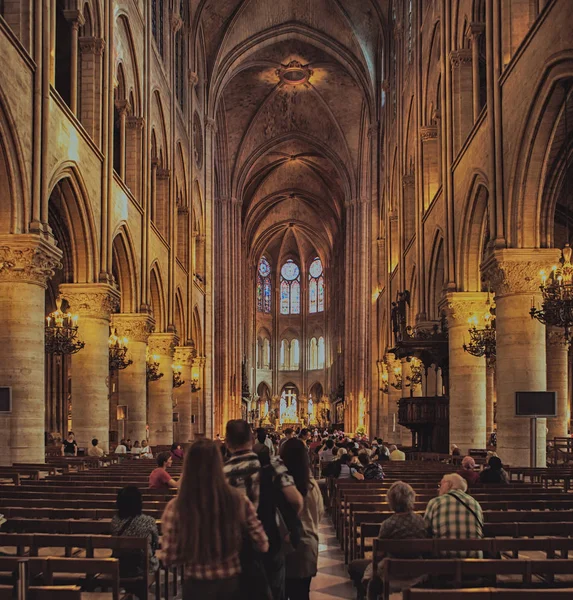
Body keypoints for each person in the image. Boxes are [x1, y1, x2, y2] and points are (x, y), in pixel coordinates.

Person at [159, 439, 269, 600]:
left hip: (196, 587)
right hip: (231, 585)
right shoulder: (239, 500)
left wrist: (191, 547)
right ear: (219, 463)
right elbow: (263, 543)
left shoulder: (175, 507)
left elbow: (169, 558)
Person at [224, 419, 303, 600]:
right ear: (252, 440)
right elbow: (297, 500)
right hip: (270, 540)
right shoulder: (271, 464)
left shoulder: (222, 471)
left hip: (235, 548)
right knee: (274, 592)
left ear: (227, 443)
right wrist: (290, 527)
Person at [352, 481, 428, 599]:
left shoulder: (388, 524)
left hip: (393, 571)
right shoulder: (421, 521)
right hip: (417, 571)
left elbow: (378, 554)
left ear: (391, 501)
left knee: (355, 566)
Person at [281, 438, 324, 600]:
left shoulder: (282, 485)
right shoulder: (312, 486)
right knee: (302, 594)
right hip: (307, 546)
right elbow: (319, 513)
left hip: (285, 546)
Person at [424, 473, 484, 557]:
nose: (439, 489)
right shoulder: (475, 503)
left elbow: (426, 530)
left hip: (443, 559)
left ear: (448, 484)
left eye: (440, 485)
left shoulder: (436, 502)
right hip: (474, 559)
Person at [111, 486, 159, 581]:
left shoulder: (115, 521)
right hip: (142, 567)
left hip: (121, 567)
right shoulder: (149, 521)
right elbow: (155, 544)